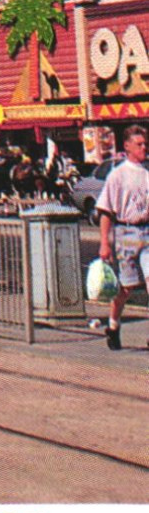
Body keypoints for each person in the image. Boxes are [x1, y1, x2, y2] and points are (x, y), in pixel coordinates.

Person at [97, 125, 149, 351]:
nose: (144, 148)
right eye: (139, 144)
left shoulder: (147, 174)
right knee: (126, 289)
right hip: (126, 233)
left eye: (145, 143)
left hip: (146, 231)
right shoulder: (117, 175)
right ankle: (114, 325)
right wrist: (104, 243)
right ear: (127, 147)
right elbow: (106, 211)